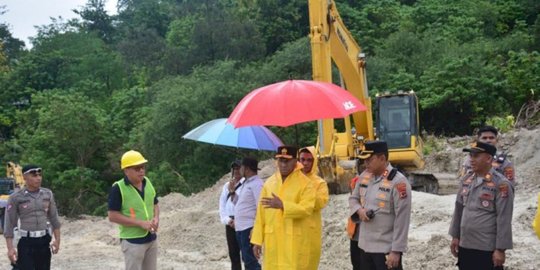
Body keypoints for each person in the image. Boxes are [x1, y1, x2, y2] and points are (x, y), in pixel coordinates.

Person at [449, 141, 514, 270]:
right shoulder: (466, 180)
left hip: (486, 247)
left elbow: (504, 218)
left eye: (476, 156)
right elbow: (459, 209)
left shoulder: (501, 184)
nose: (471, 160)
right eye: (470, 156)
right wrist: (455, 236)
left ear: (489, 158)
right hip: (465, 244)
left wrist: (500, 249)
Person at [349, 141, 411, 270]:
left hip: (385, 250)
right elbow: (353, 199)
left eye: (369, 160)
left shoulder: (398, 182)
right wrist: (360, 211)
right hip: (364, 247)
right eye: (364, 160)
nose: (365, 164)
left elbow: (402, 220)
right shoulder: (364, 176)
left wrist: (396, 251)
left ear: (382, 158)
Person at [251, 146, 315, 270]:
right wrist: (257, 240)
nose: (283, 164)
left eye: (287, 161)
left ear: (295, 161)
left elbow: (307, 209)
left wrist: (283, 206)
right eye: (280, 160)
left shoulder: (306, 184)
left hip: (294, 242)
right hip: (273, 241)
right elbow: (260, 214)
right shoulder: (269, 183)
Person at [108, 150, 159, 270]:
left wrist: (156, 218)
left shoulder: (147, 182)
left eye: (143, 167)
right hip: (133, 242)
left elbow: (155, 203)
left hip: (151, 239)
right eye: (137, 168)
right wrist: (140, 223)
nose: (141, 170)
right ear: (126, 170)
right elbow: (112, 216)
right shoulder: (118, 188)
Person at [3, 165, 61, 270]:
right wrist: (10, 248)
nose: (38, 178)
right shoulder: (16, 197)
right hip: (26, 242)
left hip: (44, 241)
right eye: (34, 175)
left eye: (39, 175)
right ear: (24, 177)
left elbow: (54, 218)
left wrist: (57, 240)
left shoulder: (47, 194)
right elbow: (10, 223)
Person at [298, 146, 329, 270]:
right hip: (292, 230)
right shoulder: (291, 180)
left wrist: (307, 187)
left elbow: (320, 203)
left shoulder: (320, 183)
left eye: (309, 160)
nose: (305, 163)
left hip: (310, 232)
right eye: (302, 159)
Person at [234, 157, 263, 270]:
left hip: (248, 227)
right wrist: (232, 193)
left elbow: (260, 207)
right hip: (241, 227)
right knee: (246, 259)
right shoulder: (246, 183)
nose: (239, 169)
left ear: (246, 169)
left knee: (250, 261)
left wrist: (255, 227)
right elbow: (242, 204)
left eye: (241, 167)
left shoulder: (257, 184)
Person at [219, 160, 243, 270]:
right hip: (230, 222)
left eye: (238, 168)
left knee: (246, 254)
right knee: (233, 254)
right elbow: (222, 206)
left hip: (243, 222)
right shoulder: (226, 186)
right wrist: (227, 220)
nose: (236, 171)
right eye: (234, 169)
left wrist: (233, 192)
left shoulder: (246, 185)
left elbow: (243, 205)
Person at [347, 160, 363, 270]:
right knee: (357, 263)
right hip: (356, 231)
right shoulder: (356, 181)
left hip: (367, 232)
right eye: (362, 163)